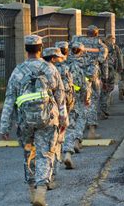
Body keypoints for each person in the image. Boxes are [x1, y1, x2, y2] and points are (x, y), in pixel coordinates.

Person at [0, 35, 68, 206]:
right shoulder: (50, 68)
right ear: (40, 48)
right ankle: (40, 192)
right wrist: (63, 118)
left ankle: (31, 191)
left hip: (25, 121)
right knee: (45, 154)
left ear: (26, 49)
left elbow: (9, 100)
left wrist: (4, 126)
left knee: (29, 153)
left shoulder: (18, 71)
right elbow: (60, 96)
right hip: (48, 119)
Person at [72, 25, 108, 140]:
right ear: (96, 33)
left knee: (76, 101)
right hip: (91, 75)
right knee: (92, 100)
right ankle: (91, 130)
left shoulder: (77, 40)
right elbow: (103, 60)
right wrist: (105, 77)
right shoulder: (100, 44)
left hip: (75, 75)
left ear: (86, 32)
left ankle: (76, 131)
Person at [43, 46, 74, 177]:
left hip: (39, 111)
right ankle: (52, 173)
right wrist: (64, 113)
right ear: (54, 58)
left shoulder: (38, 69)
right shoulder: (60, 69)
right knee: (56, 139)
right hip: (57, 109)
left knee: (40, 144)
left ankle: (40, 176)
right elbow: (62, 94)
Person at [61, 42, 91, 170]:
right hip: (73, 98)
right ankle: (70, 149)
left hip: (54, 103)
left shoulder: (50, 67)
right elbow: (84, 84)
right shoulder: (78, 65)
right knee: (72, 125)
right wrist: (87, 97)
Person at [99, 34, 123, 119]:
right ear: (111, 39)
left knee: (100, 90)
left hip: (98, 70)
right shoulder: (114, 47)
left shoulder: (100, 46)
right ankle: (104, 109)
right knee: (108, 89)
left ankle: (101, 109)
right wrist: (120, 68)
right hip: (110, 69)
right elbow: (119, 58)